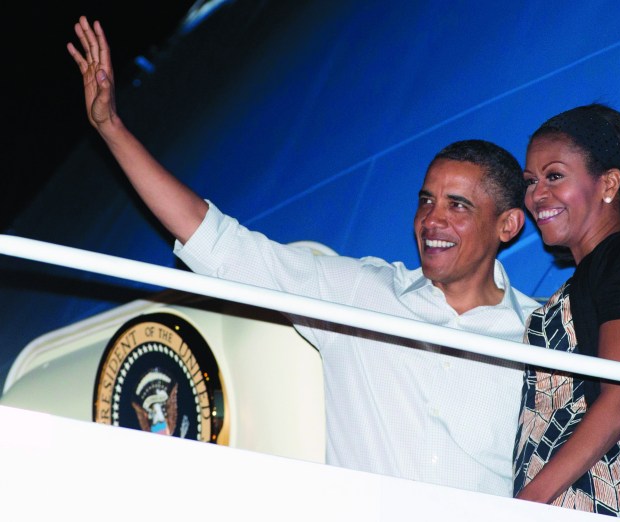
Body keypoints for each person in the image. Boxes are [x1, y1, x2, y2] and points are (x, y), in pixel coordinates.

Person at [67, 16, 539, 496]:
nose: (431, 220)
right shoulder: (360, 293)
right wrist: (111, 129)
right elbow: (220, 245)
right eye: (425, 201)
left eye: (457, 206)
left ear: (508, 225)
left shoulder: (543, 335)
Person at [512, 103, 620, 519]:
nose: (537, 194)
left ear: (609, 183)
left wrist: (527, 504)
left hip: (591, 499)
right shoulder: (597, 270)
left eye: (554, 176)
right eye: (531, 181)